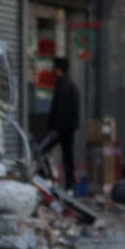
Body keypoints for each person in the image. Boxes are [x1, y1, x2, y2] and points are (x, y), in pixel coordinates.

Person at [46, 61, 82, 190]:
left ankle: (48, 179)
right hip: (68, 128)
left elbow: (58, 108)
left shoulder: (62, 85)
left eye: (54, 68)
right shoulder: (71, 85)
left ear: (58, 70)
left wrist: (54, 128)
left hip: (61, 128)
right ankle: (69, 184)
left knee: (43, 151)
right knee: (68, 156)